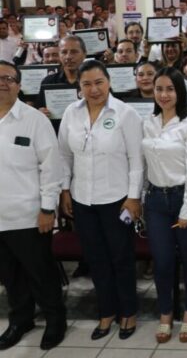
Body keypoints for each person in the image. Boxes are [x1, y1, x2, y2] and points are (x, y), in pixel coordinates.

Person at [58, 61, 144, 341]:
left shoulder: (126, 114)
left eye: (99, 82)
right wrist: (65, 190)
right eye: (87, 84)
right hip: (82, 199)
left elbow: (136, 160)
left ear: (109, 82)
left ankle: (128, 311)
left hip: (117, 200)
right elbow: (64, 155)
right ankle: (107, 311)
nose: (93, 89)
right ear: (79, 87)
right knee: (96, 259)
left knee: (121, 258)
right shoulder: (71, 113)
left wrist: (134, 197)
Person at [0, 61, 67, 351]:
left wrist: (48, 209)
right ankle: (20, 320)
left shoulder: (34, 120)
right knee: (10, 275)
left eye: (8, 78)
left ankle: (55, 320)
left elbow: (51, 168)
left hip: (29, 215)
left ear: (19, 84)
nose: (2, 83)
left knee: (41, 274)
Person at [142, 68, 187, 344]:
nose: (164, 94)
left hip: (185, 198)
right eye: (159, 89)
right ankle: (166, 313)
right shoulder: (148, 122)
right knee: (162, 261)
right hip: (156, 201)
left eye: (170, 89)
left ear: (180, 92)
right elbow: (144, 165)